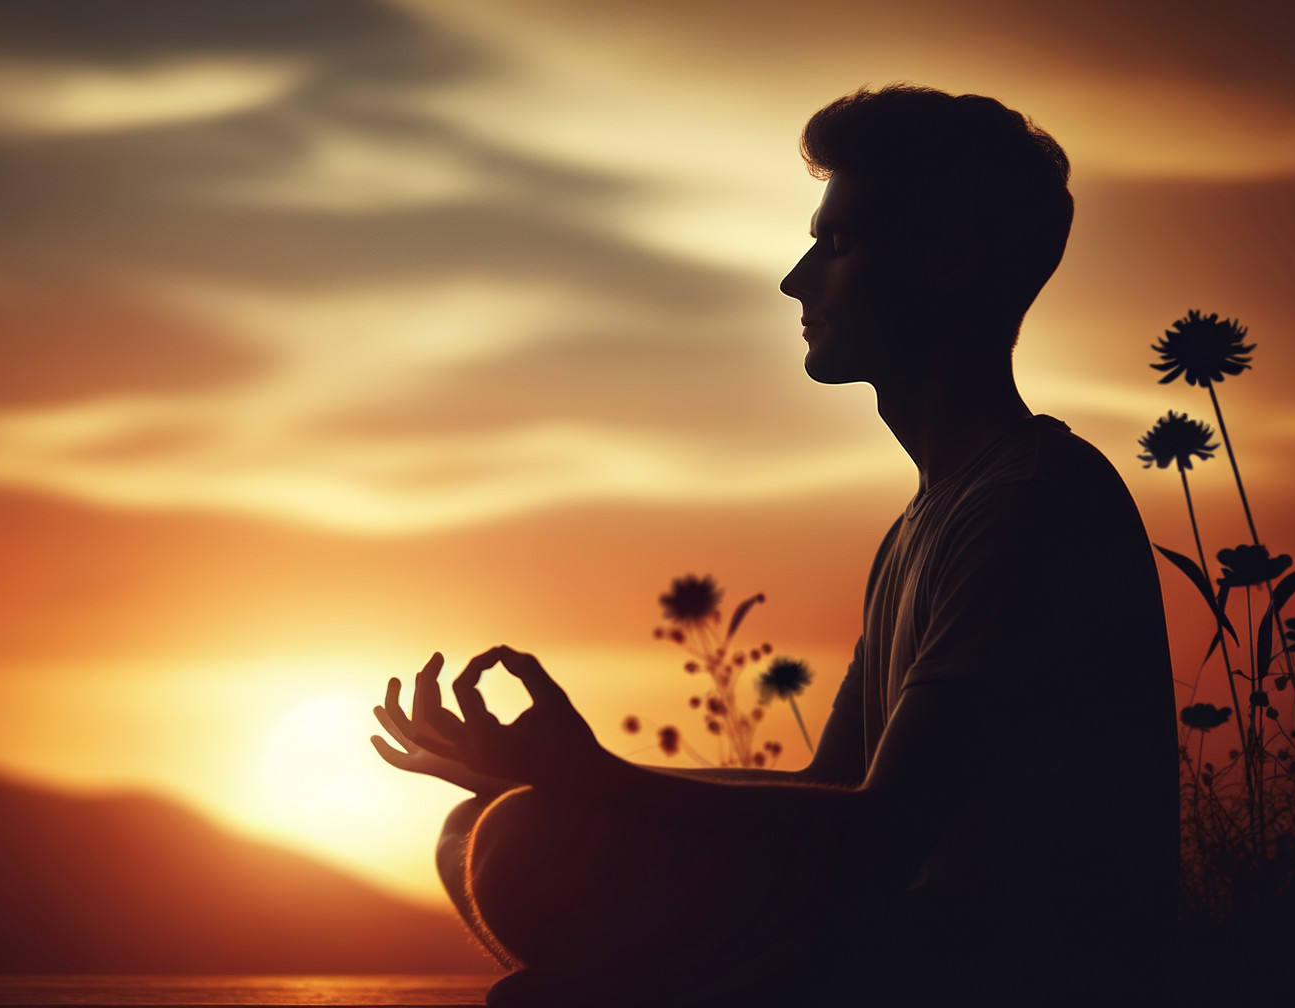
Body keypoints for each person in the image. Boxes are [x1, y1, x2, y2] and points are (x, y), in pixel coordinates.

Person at [371, 84, 1179, 1007]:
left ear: (949, 265)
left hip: (1002, 970)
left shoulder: (1031, 504)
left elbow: (883, 833)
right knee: (478, 822)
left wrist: (593, 781)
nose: (798, 280)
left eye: (838, 244)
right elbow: (829, 787)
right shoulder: (926, 518)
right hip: (893, 930)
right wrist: (543, 771)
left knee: (523, 846)